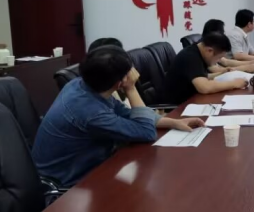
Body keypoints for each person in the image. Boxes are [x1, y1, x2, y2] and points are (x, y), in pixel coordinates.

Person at [32, 46, 204, 187]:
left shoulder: (80, 84)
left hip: (95, 165)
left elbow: (126, 113)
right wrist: (131, 88)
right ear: (120, 81)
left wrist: (173, 122)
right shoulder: (91, 112)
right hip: (70, 183)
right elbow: (146, 132)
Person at [165, 33, 248, 104]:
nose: (217, 61)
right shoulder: (191, 57)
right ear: (209, 51)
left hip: (191, 99)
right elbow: (204, 87)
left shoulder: (196, 52)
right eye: (219, 58)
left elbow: (201, 77)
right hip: (176, 107)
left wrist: (222, 72)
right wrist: (234, 83)